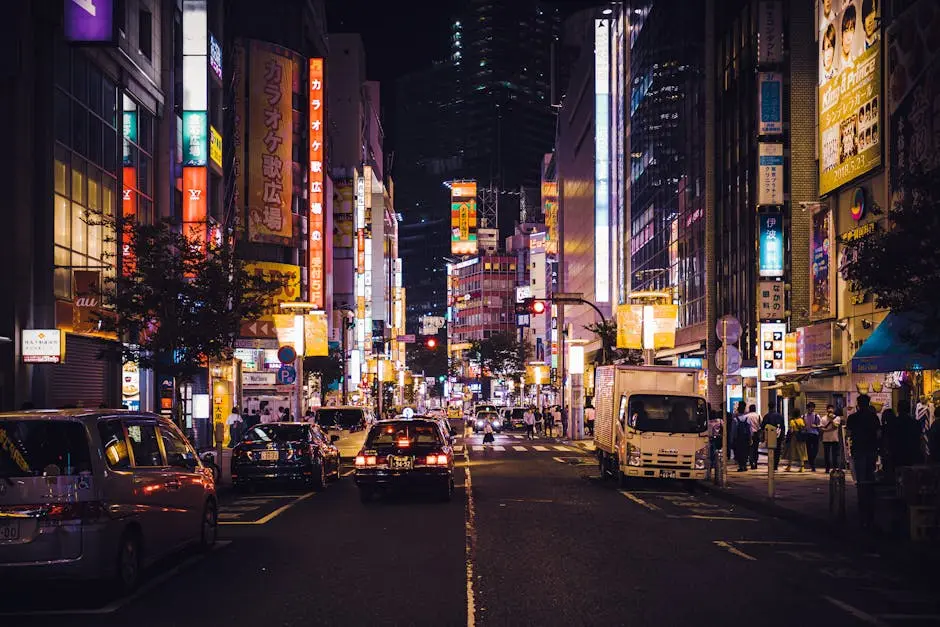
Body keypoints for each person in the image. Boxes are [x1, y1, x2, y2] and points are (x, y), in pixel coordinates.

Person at [846, 394, 881, 529]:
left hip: (859, 450)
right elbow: (878, 434)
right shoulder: (873, 417)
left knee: (860, 479)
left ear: (858, 404)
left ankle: (862, 504)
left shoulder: (853, 418)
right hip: (871, 449)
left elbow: (848, 434)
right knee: (870, 476)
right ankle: (870, 503)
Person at [761, 406, 786, 471]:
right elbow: (783, 426)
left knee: (771, 451)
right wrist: (783, 436)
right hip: (778, 435)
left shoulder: (766, 416)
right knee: (777, 451)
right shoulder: (780, 416)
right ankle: (775, 465)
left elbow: (763, 426)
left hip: (770, 436)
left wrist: (763, 437)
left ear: (769, 407)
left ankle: (771, 465)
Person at [820, 404, 842, 473]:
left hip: (834, 439)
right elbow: (821, 428)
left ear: (833, 410)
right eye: (829, 408)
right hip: (826, 439)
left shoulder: (837, 418)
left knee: (834, 455)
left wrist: (831, 420)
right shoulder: (823, 418)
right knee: (826, 455)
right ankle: (827, 469)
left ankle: (834, 468)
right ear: (826, 410)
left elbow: (836, 427)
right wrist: (826, 430)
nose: (830, 410)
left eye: (831, 408)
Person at [803, 402, 822, 472]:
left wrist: (816, 426)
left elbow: (821, 425)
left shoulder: (817, 416)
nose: (811, 409)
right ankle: (812, 465)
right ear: (807, 408)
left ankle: (812, 462)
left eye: (812, 407)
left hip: (815, 434)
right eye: (810, 407)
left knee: (815, 450)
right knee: (809, 450)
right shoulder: (804, 416)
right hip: (807, 434)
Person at [745, 404, 762, 470]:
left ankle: (751, 462)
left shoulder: (747, 416)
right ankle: (755, 462)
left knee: (750, 449)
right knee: (755, 449)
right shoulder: (758, 416)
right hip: (756, 434)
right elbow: (761, 425)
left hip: (749, 434)